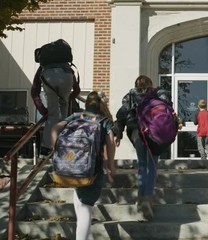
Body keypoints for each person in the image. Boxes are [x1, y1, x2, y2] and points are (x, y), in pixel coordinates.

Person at [50, 91, 116, 240]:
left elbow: (55, 129)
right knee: (86, 208)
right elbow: (111, 140)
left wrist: (57, 149)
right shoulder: (103, 121)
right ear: (101, 104)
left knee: (80, 205)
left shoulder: (75, 116)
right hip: (91, 169)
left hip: (70, 165)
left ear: (87, 104)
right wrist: (111, 163)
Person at [114, 75, 170, 221]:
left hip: (137, 132)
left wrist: (118, 134)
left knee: (142, 164)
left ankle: (140, 198)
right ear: (150, 84)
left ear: (136, 84)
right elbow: (168, 109)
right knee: (152, 165)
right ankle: (148, 198)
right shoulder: (159, 93)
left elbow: (121, 115)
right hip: (154, 133)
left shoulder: (130, 96)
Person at [31, 64, 81, 156]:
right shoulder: (67, 66)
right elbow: (77, 91)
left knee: (53, 115)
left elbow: (34, 91)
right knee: (64, 116)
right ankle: (62, 144)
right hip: (67, 77)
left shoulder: (43, 67)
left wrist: (42, 110)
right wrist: (67, 99)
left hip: (49, 77)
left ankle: (46, 147)